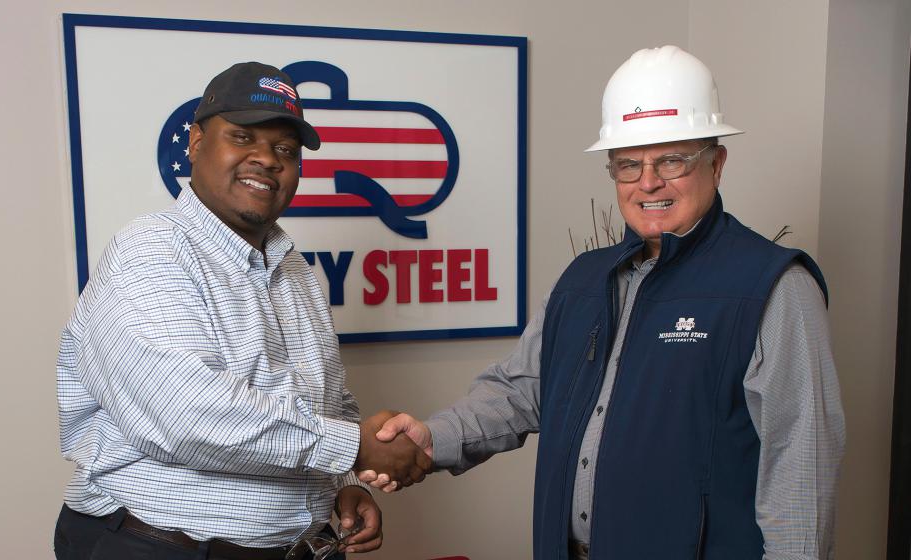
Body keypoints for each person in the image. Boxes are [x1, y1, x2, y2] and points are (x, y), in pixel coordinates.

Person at [360, 46, 845, 560]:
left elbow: (802, 468)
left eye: (672, 160)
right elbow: (523, 391)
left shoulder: (773, 286)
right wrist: (432, 438)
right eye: (629, 165)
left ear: (717, 163)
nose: (649, 182)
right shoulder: (583, 280)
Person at [54, 61, 431, 560]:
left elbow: (327, 402)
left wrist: (340, 483)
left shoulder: (293, 268)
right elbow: (188, 416)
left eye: (284, 150)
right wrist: (354, 448)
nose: (267, 159)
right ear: (195, 143)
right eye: (243, 137)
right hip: (157, 546)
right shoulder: (152, 250)